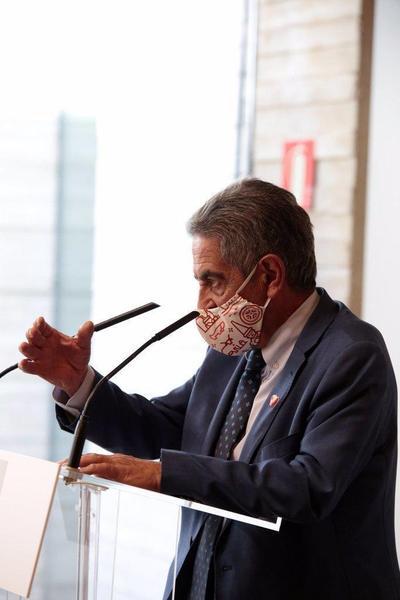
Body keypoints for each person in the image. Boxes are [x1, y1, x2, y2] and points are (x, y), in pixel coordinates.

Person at [19, 179, 400, 599]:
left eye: (213, 280)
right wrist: (76, 382)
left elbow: (308, 487)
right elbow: (165, 427)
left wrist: (164, 474)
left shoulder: (351, 355)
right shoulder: (235, 347)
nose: (202, 303)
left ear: (270, 275)